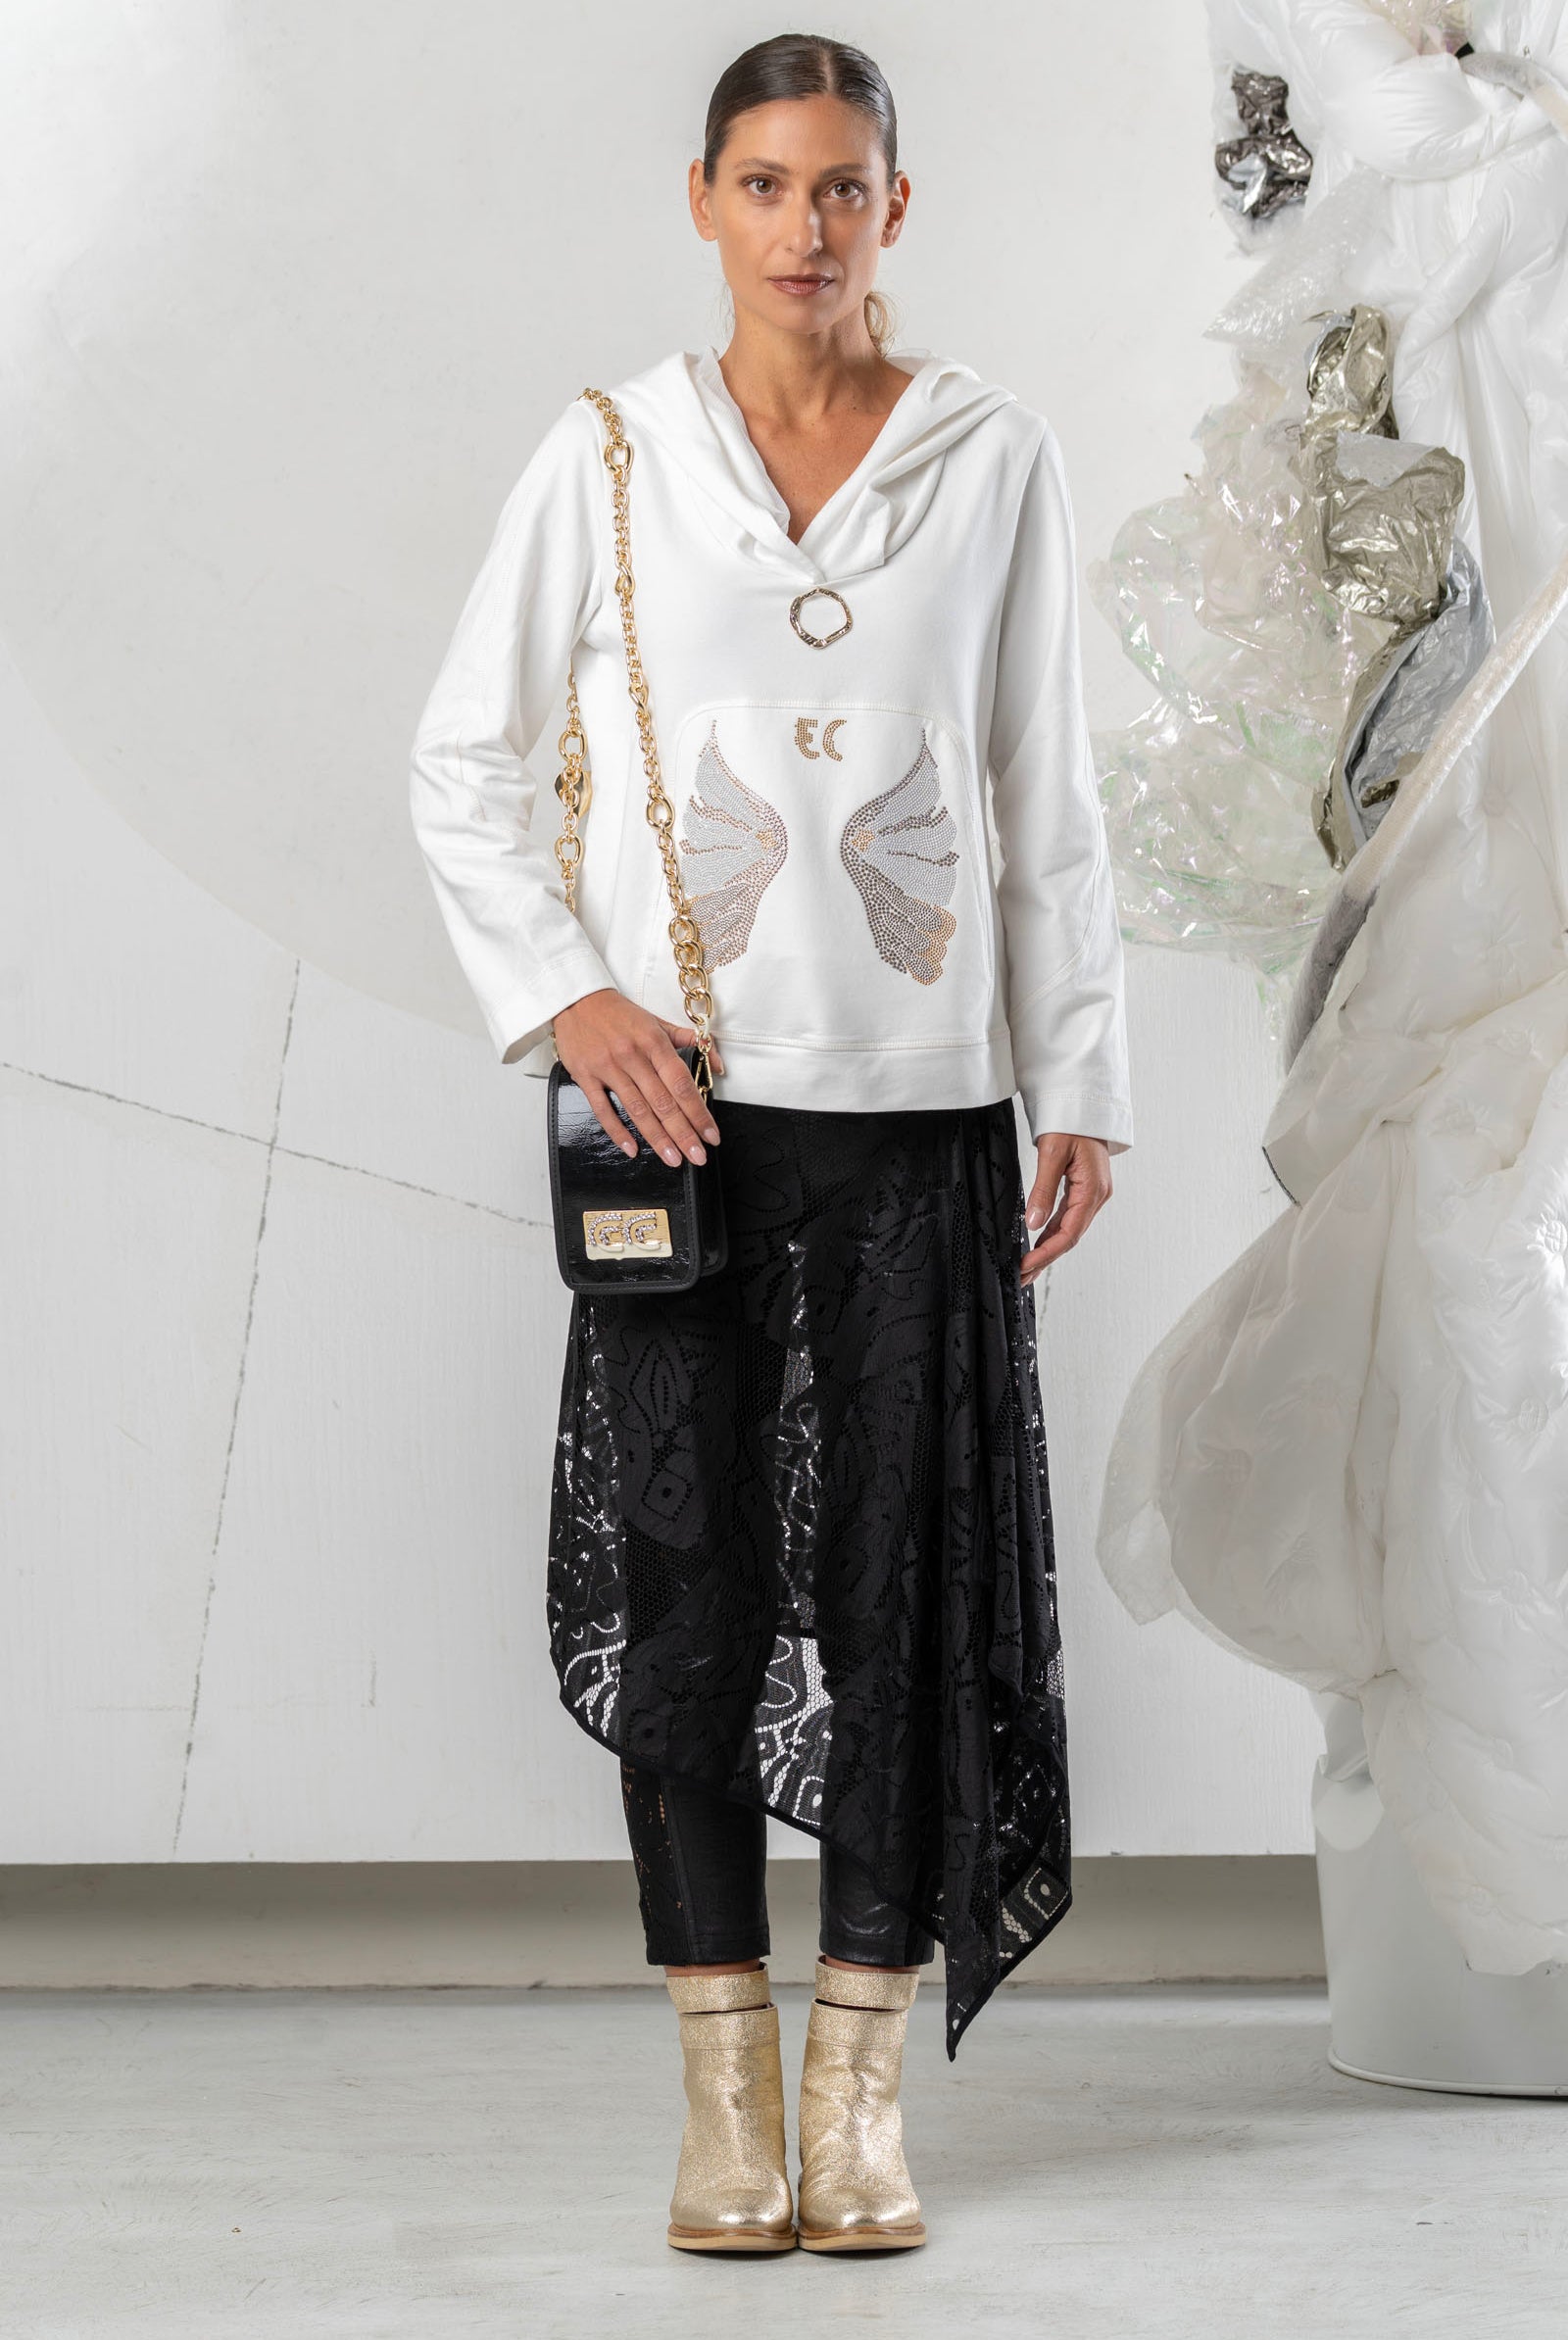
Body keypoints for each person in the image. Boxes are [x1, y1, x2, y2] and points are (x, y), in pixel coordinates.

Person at [410, 29, 1132, 2257]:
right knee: (693, 1598)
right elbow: (462, 760)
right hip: (684, 1122)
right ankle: (725, 2105)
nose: (805, 227)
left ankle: (859, 2101)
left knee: (900, 1602)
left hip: (919, 1113)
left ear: (894, 207)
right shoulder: (612, 454)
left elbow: (1043, 790)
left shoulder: (990, 455)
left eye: (842, 188)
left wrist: (1083, 1081)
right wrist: (571, 993)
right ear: (703, 201)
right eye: (765, 184)